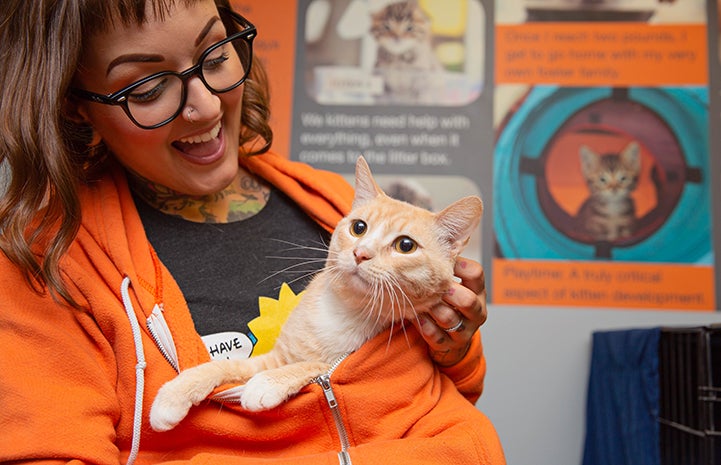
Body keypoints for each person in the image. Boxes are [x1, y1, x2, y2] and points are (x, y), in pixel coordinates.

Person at [0, 0, 505, 464]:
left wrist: (453, 342)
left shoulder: (330, 201)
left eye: (215, 56)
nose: (207, 106)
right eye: (148, 87)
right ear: (73, 103)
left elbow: (453, 391)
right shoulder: (44, 263)